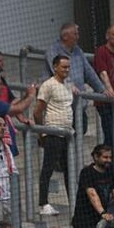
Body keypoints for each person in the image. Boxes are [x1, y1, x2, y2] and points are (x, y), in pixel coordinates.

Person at [46, 22, 106, 134]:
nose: (77, 37)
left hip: (78, 106)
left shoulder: (78, 51)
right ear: (65, 36)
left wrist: (102, 90)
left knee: (80, 133)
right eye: (75, 34)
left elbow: (89, 72)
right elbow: (57, 71)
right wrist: (69, 85)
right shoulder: (53, 50)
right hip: (61, 109)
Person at [34, 54, 75, 216]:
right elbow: (37, 111)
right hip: (53, 132)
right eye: (64, 67)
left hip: (66, 134)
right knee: (48, 168)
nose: (66, 70)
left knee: (69, 170)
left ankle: (74, 202)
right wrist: (42, 132)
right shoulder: (48, 85)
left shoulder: (68, 85)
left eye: (68, 67)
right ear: (55, 67)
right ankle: (43, 203)